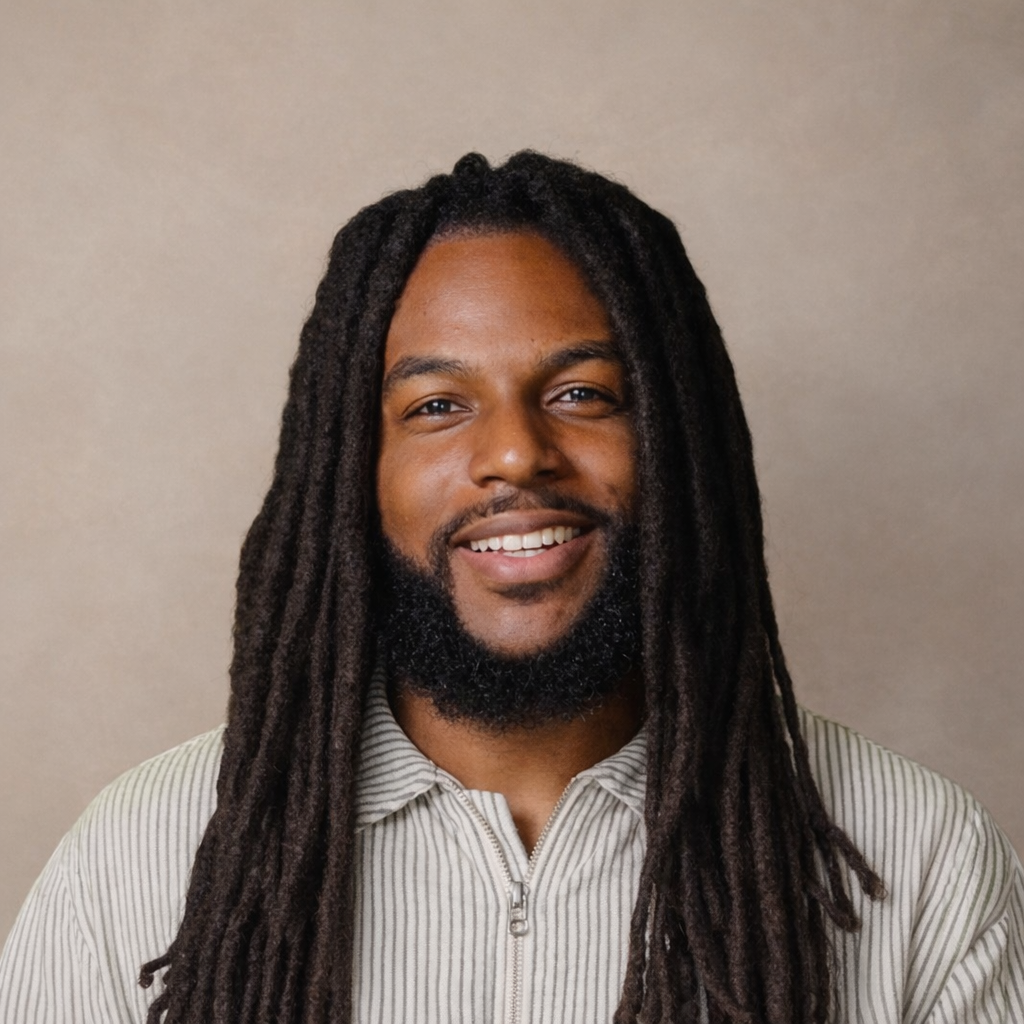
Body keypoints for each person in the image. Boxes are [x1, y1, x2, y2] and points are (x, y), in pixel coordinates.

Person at [1, 152, 1022, 1024]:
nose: (515, 454)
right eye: (437, 406)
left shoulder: (914, 853)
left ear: (679, 443)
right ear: (352, 472)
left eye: (582, 394)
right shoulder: (144, 854)